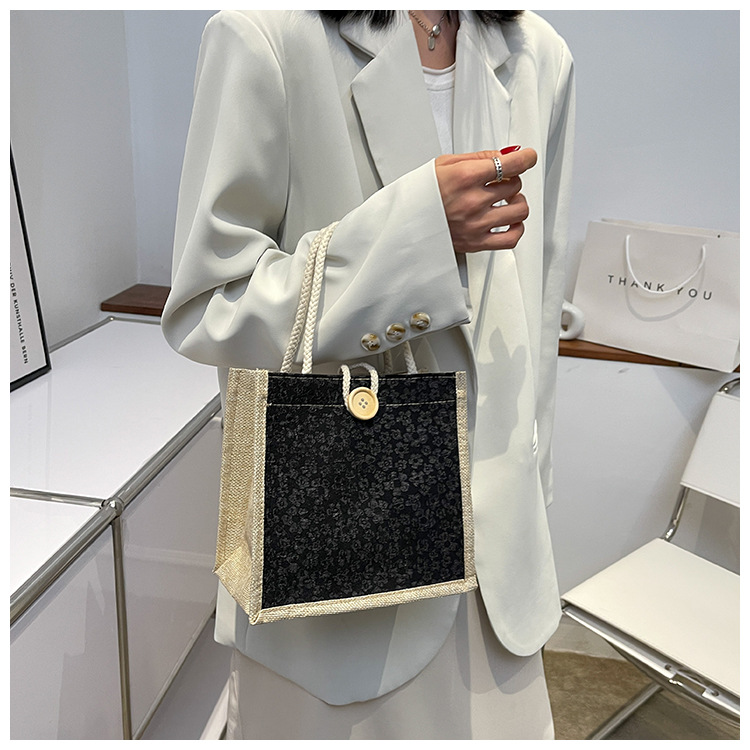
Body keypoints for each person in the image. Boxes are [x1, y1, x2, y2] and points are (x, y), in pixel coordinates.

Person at [162, 9, 575, 740]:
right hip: (338, 566)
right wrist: (413, 238)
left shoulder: (537, 50)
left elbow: (539, 301)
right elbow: (208, 306)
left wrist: (535, 501)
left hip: (503, 584)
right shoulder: (266, 35)